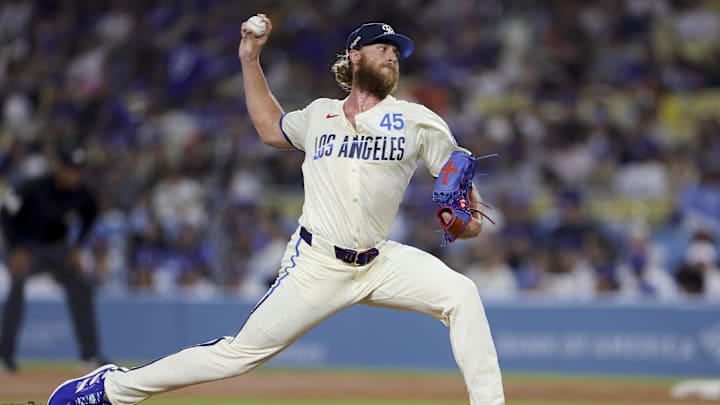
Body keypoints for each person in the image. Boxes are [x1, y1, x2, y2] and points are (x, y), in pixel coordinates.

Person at [48, 16, 505, 405]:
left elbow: (464, 205)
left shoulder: (418, 120)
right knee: (236, 355)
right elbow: (269, 127)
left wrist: (463, 219)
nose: (392, 57)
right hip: (317, 264)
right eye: (382, 48)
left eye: (396, 53)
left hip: (380, 260)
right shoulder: (319, 115)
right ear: (355, 57)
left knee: (461, 294)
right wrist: (249, 58)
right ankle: (111, 388)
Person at [1, 144, 107, 372]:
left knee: (81, 286)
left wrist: (78, 246)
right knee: (17, 285)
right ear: (58, 167)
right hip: (28, 247)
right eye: (70, 169)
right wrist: (16, 248)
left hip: (59, 247)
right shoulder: (33, 187)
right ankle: (4, 357)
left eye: (79, 170)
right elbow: (6, 213)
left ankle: (90, 356)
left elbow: (91, 214)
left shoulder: (82, 192)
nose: (75, 175)